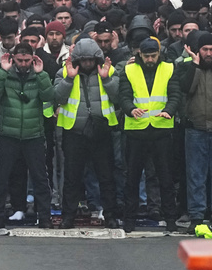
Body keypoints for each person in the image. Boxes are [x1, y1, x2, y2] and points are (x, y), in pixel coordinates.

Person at [0, 42, 55, 229]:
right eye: (20, 60)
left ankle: (45, 217)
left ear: (33, 59)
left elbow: (49, 96)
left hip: (33, 134)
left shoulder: (39, 75)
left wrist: (41, 74)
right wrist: (2, 71)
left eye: (27, 60)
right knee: (1, 178)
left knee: (40, 178)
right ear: (13, 59)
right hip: (8, 134)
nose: (23, 64)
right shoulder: (5, 74)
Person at [53, 38, 119, 229]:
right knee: (72, 177)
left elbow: (118, 97)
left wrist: (106, 79)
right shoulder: (64, 72)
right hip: (75, 132)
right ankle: (68, 216)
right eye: (84, 60)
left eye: (91, 59)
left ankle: (111, 215)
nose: (88, 63)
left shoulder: (109, 71)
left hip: (101, 130)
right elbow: (56, 97)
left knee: (106, 177)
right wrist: (69, 79)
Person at [119, 37, 181, 233]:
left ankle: (170, 218)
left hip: (161, 129)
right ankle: (129, 219)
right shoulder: (129, 70)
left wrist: (169, 110)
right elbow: (124, 96)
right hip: (137, 130)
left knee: (166, 178)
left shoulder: (169, 68)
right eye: (147, 56)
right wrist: (130, 109)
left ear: (159, 53)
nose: (150, 59)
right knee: (132, 178)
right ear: (140, 54)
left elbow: (175, 94)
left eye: (153, 56)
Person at [177, 31, 212, 233]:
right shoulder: (186, 67)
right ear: (198, 50)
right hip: (196, 129)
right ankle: (197, 216)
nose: (209, 53)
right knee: (196, 176)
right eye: (205, 49)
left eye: (211, 50)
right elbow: (187, 88)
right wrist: (196, 66)